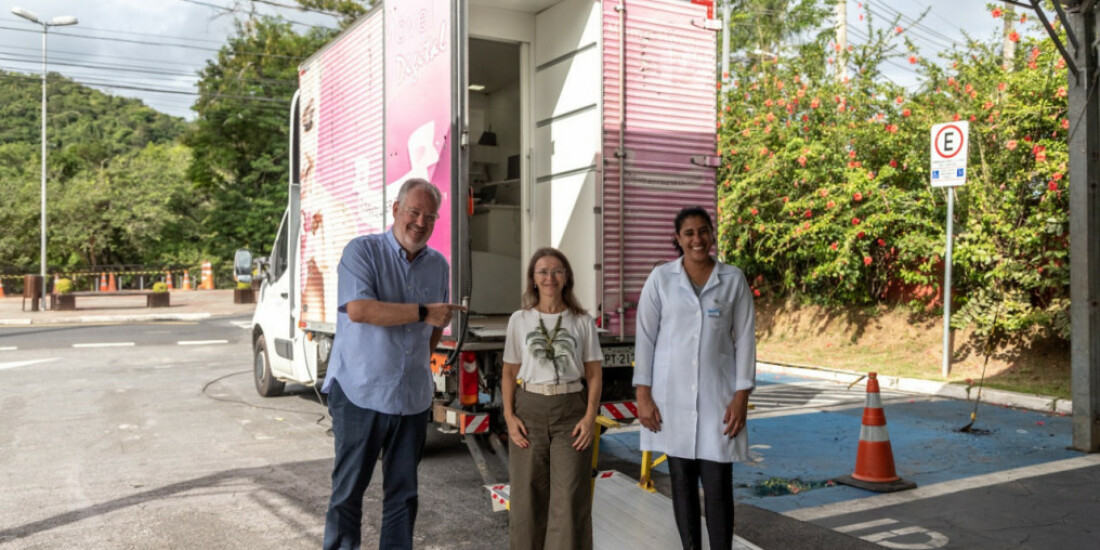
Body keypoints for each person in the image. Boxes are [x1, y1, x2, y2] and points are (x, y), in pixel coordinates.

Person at [322, 177, 466, 550]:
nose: (421, 222)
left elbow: (435, 327)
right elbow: (360, 310)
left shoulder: (439, 265)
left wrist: (425, 330)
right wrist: (421, 312)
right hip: (360, 392)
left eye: (430, 217)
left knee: (403, 496)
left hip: (412, 398)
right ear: (396, 211)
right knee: (348, 493)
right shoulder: (362, 252)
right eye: (414, 212)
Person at [633, 206, 756, 550]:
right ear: (678, 239)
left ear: (712, 234)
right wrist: (643, 394)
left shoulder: (733, 279)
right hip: (671, 400)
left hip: (719, 399)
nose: (697, 239)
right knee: (682, 485)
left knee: (718, 487)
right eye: (688, 233)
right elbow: (645, 336)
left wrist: (741, 395)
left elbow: (745, 339)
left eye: (703, 231)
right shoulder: (661, 279)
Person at [501, 248, 603, 550]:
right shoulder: (519, 320)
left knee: (570, 498)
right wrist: (509, 416)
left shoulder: (582, 321)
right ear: (533, 279)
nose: (550, 277)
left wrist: (589, 417)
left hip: (571, 411)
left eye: (557, 270)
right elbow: (509, 372)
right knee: (526, 498)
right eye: (542, 271)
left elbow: (594, 374)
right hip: (529, 409)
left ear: (566, 277)